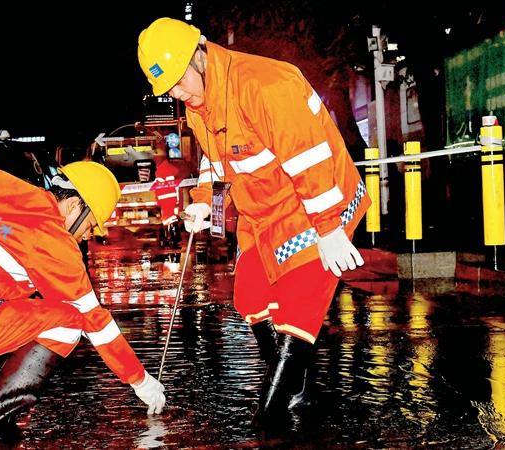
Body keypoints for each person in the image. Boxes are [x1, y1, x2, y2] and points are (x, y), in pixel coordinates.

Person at [138, 18, 370, 429]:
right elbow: (213, 164)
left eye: (178, 81)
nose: (177, 93)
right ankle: (299, 390)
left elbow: (309, 158)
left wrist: (330, 229)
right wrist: (203, 205)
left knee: (297, 313)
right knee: (249, 298)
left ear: (199, 55)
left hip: (313, 205)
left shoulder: (265, 85)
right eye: (168, 89)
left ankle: (271, 417)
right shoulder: (199, 108)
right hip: (262, 212)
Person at [0, 161, 166, 443]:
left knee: (24, 310)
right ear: (75, 205)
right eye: (90, 225)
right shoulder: (50, 236)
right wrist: (140, 380)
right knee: (70, 320)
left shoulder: (13, 211)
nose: (88, 235)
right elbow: (94, 321)